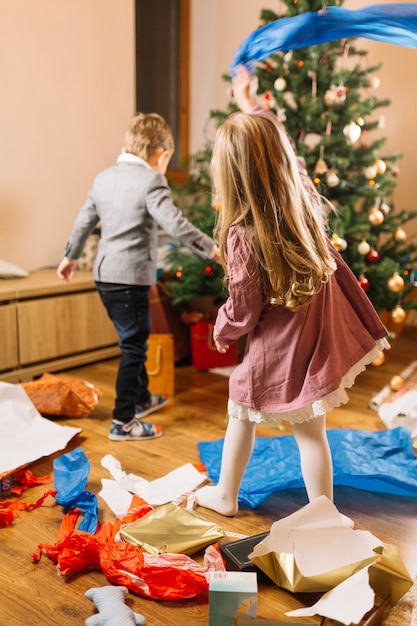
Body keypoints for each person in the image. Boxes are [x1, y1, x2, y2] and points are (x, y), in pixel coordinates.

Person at [195, 67, 389, 516]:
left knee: (240, 404)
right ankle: (323, 509)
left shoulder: (244, 235)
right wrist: (250, 104)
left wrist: (222, 329)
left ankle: (225, 495)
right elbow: (284, 150)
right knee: (311, 431)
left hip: (279, 346)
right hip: (311, 337)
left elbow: (243, 309)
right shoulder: (301, 202)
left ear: (231, 176)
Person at [57, 112, 219, 442]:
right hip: (129, 280)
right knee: (133, 348)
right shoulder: (151, 181)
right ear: (160, 154)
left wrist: (69, 256)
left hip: (105, 277)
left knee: (135, 342)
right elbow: (174, 224)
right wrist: (211, 248)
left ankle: (142, 399)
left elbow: (83, 220)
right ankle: (123, 420)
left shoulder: (104, 178)